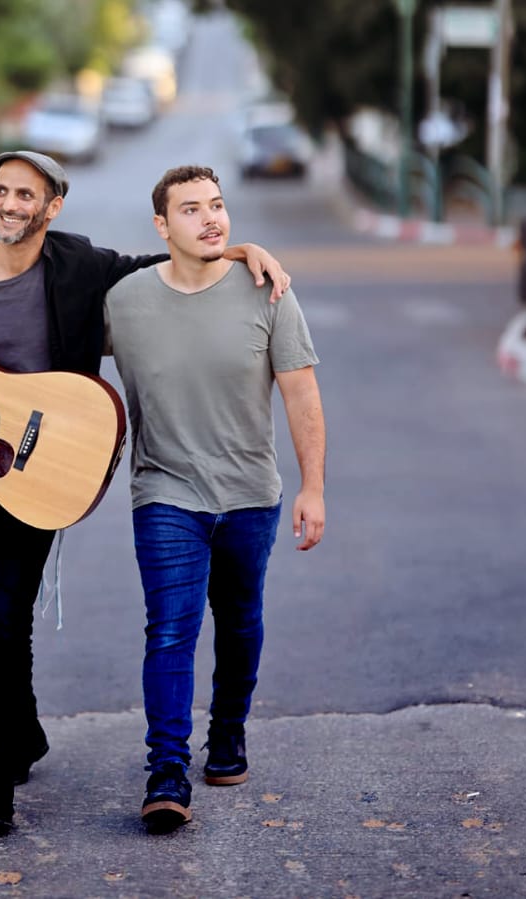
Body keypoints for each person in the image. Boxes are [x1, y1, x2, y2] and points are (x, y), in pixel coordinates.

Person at [0, 150, 291, 837]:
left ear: (51, 205)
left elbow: (166, 266)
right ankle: (20, 732)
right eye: (0, 191)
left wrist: (239, 248)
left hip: (38, 473)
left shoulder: (79, 266)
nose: (7, 204)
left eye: (23, 195)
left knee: (9, 619)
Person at [104, 165, 326, 834]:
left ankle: (227, 736)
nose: (211, 219)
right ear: (161, 225)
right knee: (170, 628)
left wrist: (313, 486)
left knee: (239, 621)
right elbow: (52, 359)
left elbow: (301, 394)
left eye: (218, 206)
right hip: (164, 488)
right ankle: (166, 771)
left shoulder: (267, 290)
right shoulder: (122, 301)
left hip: (249, 494)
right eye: (191, 208)